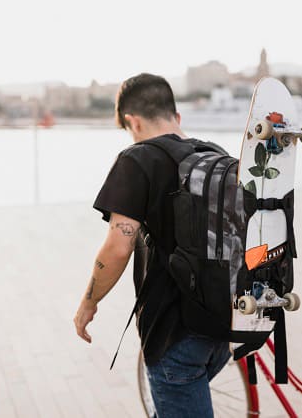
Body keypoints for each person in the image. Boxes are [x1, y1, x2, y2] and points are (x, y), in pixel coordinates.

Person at [73, 73, 231, 417]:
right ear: (177, 116)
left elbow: (117, 248)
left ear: (132, 121)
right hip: (221, 328)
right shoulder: (216, 155)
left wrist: (89, 303)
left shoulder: (137, 159)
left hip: (174, 336)